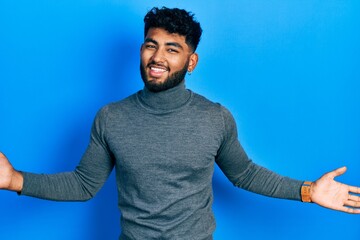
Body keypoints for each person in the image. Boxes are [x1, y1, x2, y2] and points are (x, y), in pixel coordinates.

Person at [0, 6, 359, 240]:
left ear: (191, 62)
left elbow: (245, 174)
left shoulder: (215, 118)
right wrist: (15, 179)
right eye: (150, 45)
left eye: (172, 48)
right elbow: (83, 185)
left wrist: (309, 191)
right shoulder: (111, 118)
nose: (157, 57)